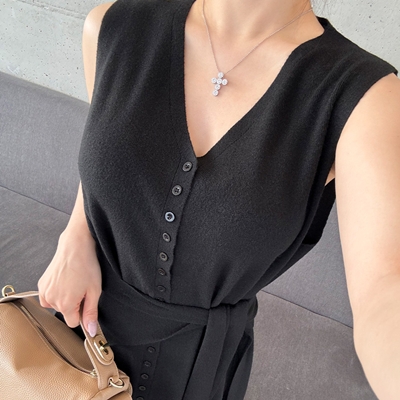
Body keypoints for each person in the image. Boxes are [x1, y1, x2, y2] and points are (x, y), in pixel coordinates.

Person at [37, 0, 400, 398]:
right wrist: (77, 233)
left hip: (197, 374)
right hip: (79, 332)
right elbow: (113, 159)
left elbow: (384, 286)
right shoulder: (112, 26)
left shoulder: (366, 99)